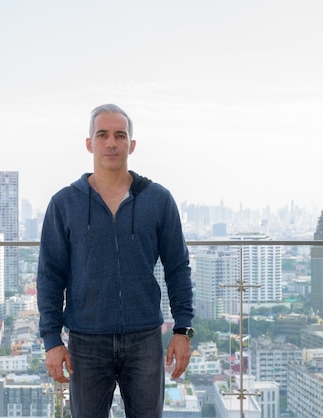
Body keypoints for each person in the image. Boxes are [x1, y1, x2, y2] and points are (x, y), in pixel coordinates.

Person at [37, 103, 194, 417]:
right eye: (103, 135)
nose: (111, 143)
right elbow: (50, 275)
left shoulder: (158, 200)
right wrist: (52, 340)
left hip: (145, 339)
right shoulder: (64, 203)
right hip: (86, 341)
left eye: (120, 136)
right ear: (89, 143)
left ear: (131, 145)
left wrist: (183, 330)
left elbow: (178, 267)